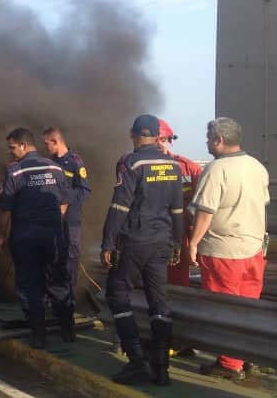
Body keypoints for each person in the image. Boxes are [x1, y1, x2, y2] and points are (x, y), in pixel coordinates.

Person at [101, 114, 184, 386]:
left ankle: (137, 362)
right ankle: (161, 370)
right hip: (162, 241)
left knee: (117, 293)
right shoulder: (173, 165)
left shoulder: (132, 162)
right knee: (159, 304)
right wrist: (177, 242)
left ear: (133, 133)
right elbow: (178, 209)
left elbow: (119, 207)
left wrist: (108, 243)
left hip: (135, 240)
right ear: (157, 136)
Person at [188, 117, 270, 381]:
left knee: (224, 308)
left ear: (219, 140)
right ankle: (247, 358)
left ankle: (229, 364)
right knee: (248, 307)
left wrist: (192, 242)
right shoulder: (257, 166)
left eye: (209, 139)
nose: (207, 143)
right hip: (255, 249)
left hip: (224, 250)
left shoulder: (216, 169)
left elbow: (205, 211)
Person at [0, 127, 74, 349]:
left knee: (31, 285)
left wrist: (0, 235)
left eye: (12, 147)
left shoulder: (15, 172)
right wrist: (53, 220)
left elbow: (5, 209)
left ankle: (38, 335)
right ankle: (67, 330)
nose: (10, 152)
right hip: (53, 236)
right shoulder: (55, 167)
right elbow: (66, 199)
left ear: (23, 145)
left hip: (26, 237)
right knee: (58, 281)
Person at [156, 119, 204, 287]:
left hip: (178, 234)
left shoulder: (189, 168)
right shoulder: (135, 165)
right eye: (155, 140)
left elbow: (202, 204)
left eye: (162, 140)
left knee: (178, 281)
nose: (159, 145)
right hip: (149, 234)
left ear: (170, 141)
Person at [43, 127, 91, 289]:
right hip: (52, 217)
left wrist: (65, 202)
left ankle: (68, 292)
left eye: (46, 143)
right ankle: (52, 293)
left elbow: (84, 190)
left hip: (71, 219)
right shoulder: (50, 163)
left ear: (55, 141)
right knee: (51, 253)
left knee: (71, 254)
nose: (45, 147)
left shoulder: (75, 162)